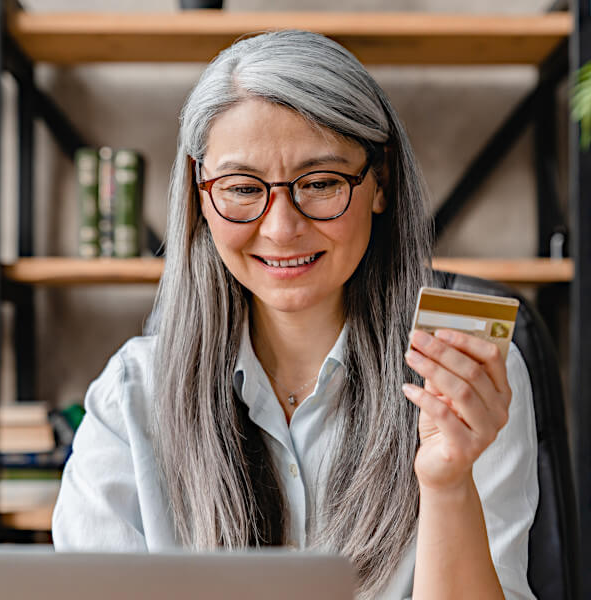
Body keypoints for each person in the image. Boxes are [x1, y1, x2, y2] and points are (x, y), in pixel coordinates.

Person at [52, 30, 538, 600]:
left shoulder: (463, 373)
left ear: (379, 180)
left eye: (323, 183)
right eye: (240, 188)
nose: (281, 228)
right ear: (200, 197)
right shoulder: (131, 397)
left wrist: (447, 482)